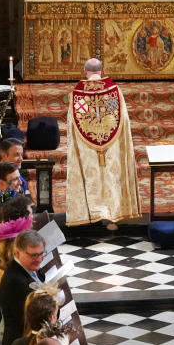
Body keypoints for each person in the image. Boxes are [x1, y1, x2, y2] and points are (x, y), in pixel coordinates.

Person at [65, 58, 140, 227]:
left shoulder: (78, 95)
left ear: (85, 71)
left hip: (86, 145)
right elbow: (123, 119)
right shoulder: (114, 91)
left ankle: (91, 213)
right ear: (102, 71)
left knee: (91, 176)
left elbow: (72, 123)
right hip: (111, 144)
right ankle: (114, 210)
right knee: (110, 175)